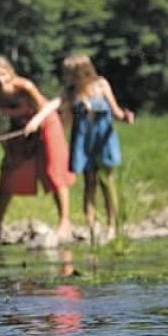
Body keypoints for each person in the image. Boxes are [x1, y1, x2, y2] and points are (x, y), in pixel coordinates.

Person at [0, 55, 75, 241]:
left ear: (10, 72)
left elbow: (45, 110)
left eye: (3, 75)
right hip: (21, 128)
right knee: (8, 170)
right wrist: (9, 150)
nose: (0, 81)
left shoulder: (25, 87)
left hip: (46, 122)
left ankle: (65, 222)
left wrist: (35, 123)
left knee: (53, 171)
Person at [61, 54, 135, 243]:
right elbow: (65, 120)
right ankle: (92, 228)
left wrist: (125, 117)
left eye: (72, 73)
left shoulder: (101, 85)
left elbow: (116, 111)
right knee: (89, 184)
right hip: (83, 142)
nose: (69, 77)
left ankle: (112, 226)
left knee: (107, 183)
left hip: (103, 139)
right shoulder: (70, 93)